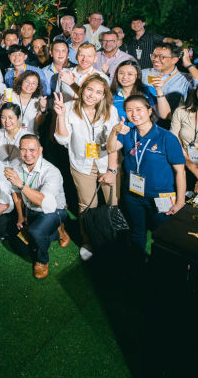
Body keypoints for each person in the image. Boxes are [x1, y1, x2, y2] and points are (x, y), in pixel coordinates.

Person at [52, 75, 120, 261]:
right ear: (82, 89)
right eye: (89, 89)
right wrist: (60, 116)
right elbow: (63, 139)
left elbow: (114, 141)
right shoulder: (68, 108)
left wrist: (112, 170)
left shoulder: (111, 110)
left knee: (113, 202)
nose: (92, 95)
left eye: (99, 92)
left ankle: (118, 239)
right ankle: (87, 240)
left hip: (108, 162)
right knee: (87, 205)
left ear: (103, 95)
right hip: (82, 164)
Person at [108, 95, 186, 252]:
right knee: (137, 232)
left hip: (161, 197)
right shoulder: (128, 133)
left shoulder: (166, 137)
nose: (134, 114)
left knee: (163, 235)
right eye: (129, 110)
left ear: (150, 111)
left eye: (139, 109)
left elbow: (180, 172)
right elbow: (110, 148)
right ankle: (138, 263)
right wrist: (113, 132)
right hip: (133, 195)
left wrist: (180, 202)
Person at [4, 135, 69, 279]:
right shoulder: (16, 164)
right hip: (31, 209)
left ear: (40, 150)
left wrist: (20, 183)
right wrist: (21, 216)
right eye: (23, 150)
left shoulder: (52, 171)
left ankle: (42, 261)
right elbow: (16, 193)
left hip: (54, 210)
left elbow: (44, 201)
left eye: (32, 150)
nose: (27, 154)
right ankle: (58, 232)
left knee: (35, 231)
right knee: (21, 243)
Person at [111, 60, 171, 125]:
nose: (125, 77)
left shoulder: (147, 90)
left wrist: (159, 90)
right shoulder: (111, 94)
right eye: (121, 73)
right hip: (120, 132)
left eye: (130, 74)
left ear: (137, 76)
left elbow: (165, 116)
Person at [141, 42, 194, 112]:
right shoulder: (144, 73)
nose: (155, 59)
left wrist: (188, 64)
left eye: (162, 57)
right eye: (154, 55)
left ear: (174, 60)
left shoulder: (184, 80)